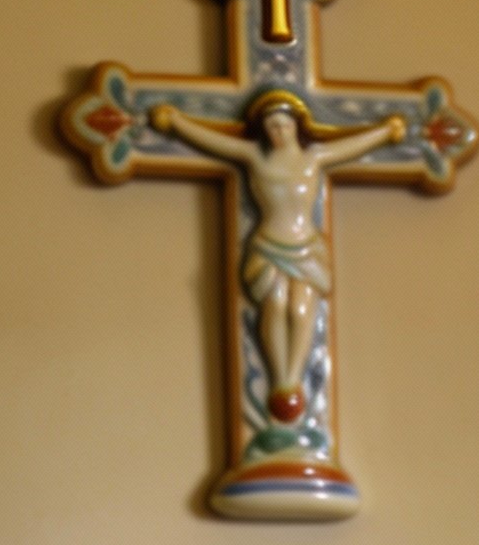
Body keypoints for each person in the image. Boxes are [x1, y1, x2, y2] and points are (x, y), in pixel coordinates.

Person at [150, 90, 407, 418]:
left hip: (305, 246)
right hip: (269, 245)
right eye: (272, 126)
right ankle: (279, 380)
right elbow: (217, 143)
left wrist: (385, 132)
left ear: (296, 126)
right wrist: (177, 123)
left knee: (300, 311)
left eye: (284, 125)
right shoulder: (255, 157)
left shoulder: (314, 158)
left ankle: (292, 380)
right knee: (275, 306)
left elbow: (351, 146)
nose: (279, 132)